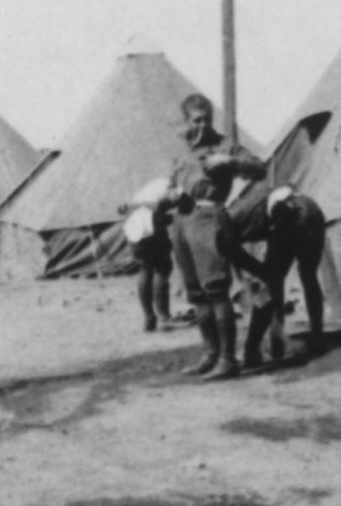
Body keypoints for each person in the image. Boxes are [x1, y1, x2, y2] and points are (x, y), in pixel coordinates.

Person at [165, 93, 267, 380]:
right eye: (196, 121)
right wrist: (173, 192)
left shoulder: (225, 146)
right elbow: (172, 183)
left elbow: (260, 168)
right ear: (186, 122)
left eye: (207, 119)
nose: (203, 126)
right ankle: (210, 354)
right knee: (196, 293)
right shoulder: (182, 152)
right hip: (182, 221)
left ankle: (227, 359)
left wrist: (230, 162)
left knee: (216, 290)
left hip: (209, 219)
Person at [232, 185, 327, 367]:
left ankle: (268, 345)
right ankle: (316, 336)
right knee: (308, 275)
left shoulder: (236, 217)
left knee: (273, 283)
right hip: (311, 209)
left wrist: (260, 271)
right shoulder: (248, 206)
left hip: (291, 214)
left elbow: (239, 248)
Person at [119, 177, 176, 332]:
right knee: (162, 269)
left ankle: (149, 318)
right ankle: (164, 318)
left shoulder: (148, 187)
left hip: (135, 228)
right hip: (152, 225)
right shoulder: (170, 185)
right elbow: (169, 205)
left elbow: (124, 209)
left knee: (145, 269)